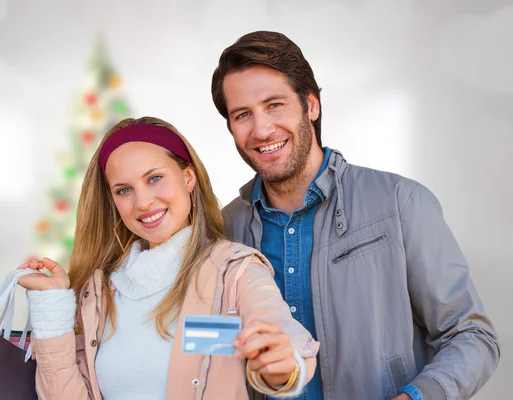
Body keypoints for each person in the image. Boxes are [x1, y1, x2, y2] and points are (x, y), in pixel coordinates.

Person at [212, 31, 500, 400]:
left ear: (311, 105)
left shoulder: (400, 203)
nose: (261, 129)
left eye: (274, 105)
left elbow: (471, 336)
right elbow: (214, 352)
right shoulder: (223, 230)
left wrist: (416, 396)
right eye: (242, 115)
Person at [16, 116, 319, 400]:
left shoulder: (234, 270)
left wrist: (284, 363)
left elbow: (282, 333)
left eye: (154, 178)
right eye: (124, 190)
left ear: (188, 177)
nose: (143, 202)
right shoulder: (98, 293)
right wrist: (52, 305)